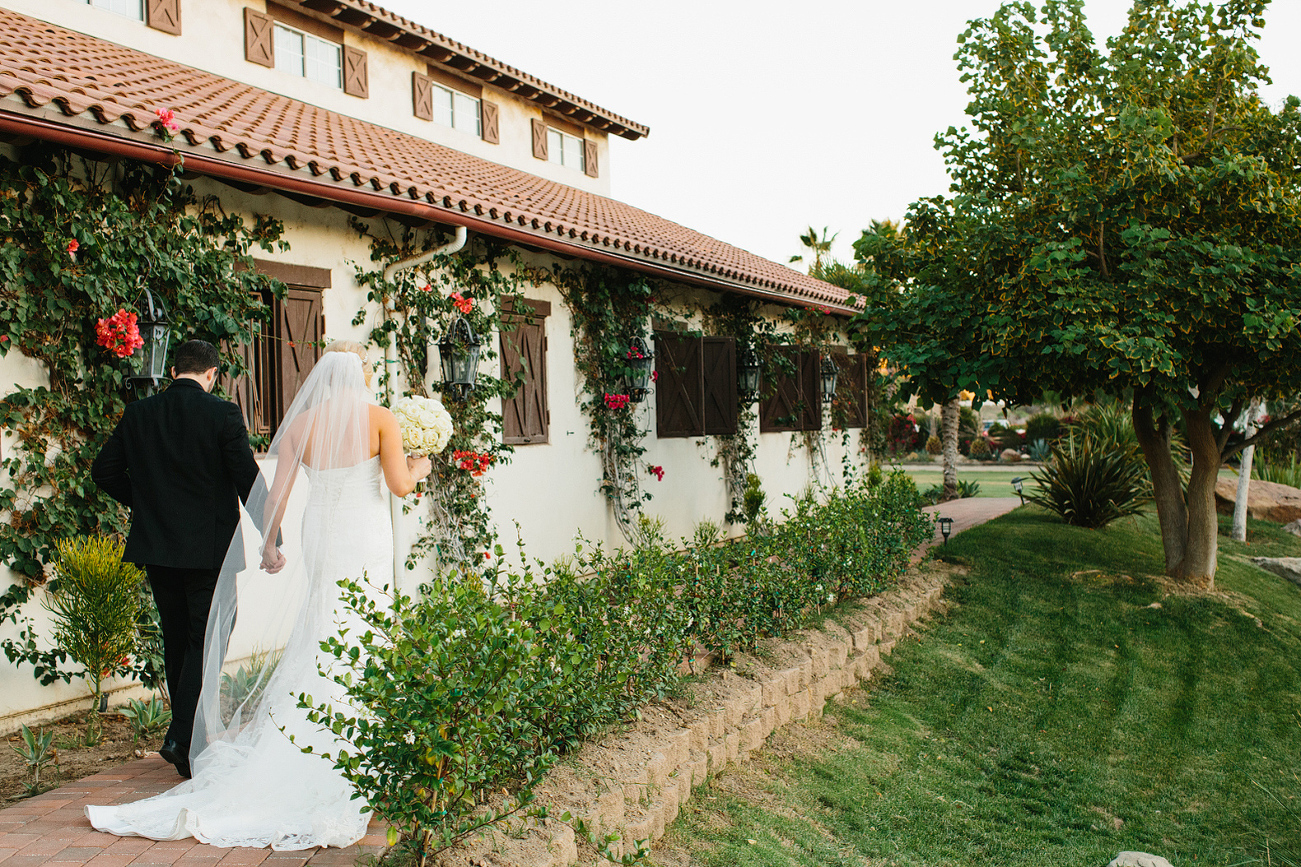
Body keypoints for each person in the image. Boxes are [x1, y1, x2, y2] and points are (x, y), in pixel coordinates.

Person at [87, 340, 432, 850]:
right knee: (345, 625)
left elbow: (275, 492)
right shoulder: (375, 417)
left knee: (278, 629)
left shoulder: (292, 423)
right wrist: (424, 465)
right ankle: (202, 743)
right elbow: (392, 485)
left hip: (262, 540)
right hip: (317, 540)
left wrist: (264, 539)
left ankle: (223, 736)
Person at [91, 339, 276, 780]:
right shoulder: (222, 413)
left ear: (174, 371)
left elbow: (104, 471)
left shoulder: (139, 414)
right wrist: (272, 535)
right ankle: (180, 736)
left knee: (179, 640)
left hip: (158, 549)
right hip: (210, 551)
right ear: (212, 374)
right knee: (207, 639)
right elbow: (248, 481)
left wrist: (147, 505)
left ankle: (187, 743)